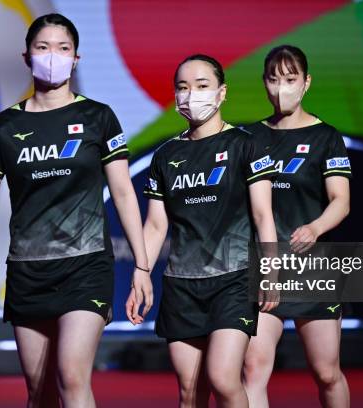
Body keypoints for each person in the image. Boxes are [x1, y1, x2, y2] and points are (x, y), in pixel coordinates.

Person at [0, 13, 152, 408]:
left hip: (86, 266)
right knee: (39, 390)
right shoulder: (5, 126)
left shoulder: (97, 117)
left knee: (72, 376)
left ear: (76, 58)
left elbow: (123, 192)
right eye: (43, 48)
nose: (52, 56)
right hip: (29, 270)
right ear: (26, 56)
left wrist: (143, 267)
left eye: (62, 49)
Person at [127, 54, 277, 408]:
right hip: (182, 285)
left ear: (222, 93)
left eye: (202, 86)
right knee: (190, 392)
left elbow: (262, 214)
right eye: (182, 87)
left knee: (224, 378)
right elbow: (156, 224)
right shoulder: (166, 156)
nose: (191, 95)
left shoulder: (247, 144)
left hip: (234, 279)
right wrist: (141, 271)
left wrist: (270, 271)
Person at [242, 45, 352, 408]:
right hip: (265, 268)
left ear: (306, 83)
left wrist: (316, 228)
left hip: (313, 268)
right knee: (253, 369)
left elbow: (341, 201)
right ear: (264, 84)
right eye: (274, 80)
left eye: (290, 79)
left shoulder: (327, 137)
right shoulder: (249, 138)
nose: (281, 88)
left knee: (326, 372)